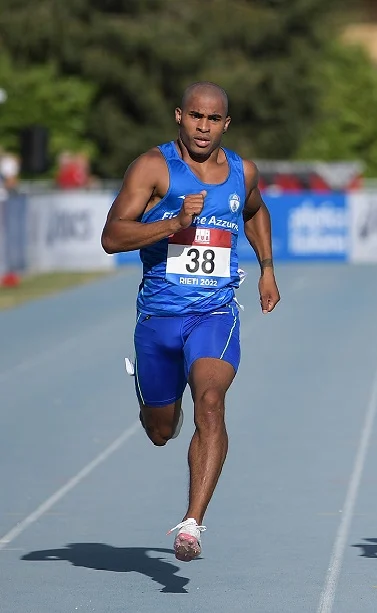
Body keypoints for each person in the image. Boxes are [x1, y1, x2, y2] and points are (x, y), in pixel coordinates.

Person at [101, 82, 280, 561]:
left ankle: (192, 524)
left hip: (214, 313)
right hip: (159, 317)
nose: (204, 127)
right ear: (180, 117)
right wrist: (172, 224)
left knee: (212, 400)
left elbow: (256, 211)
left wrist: (266, 269)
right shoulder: (154, 167)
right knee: (161, 430)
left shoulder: (243, 172)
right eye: (196, 117)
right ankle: (158, 398)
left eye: (214, 119)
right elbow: (112, 236)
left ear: (227, 123)